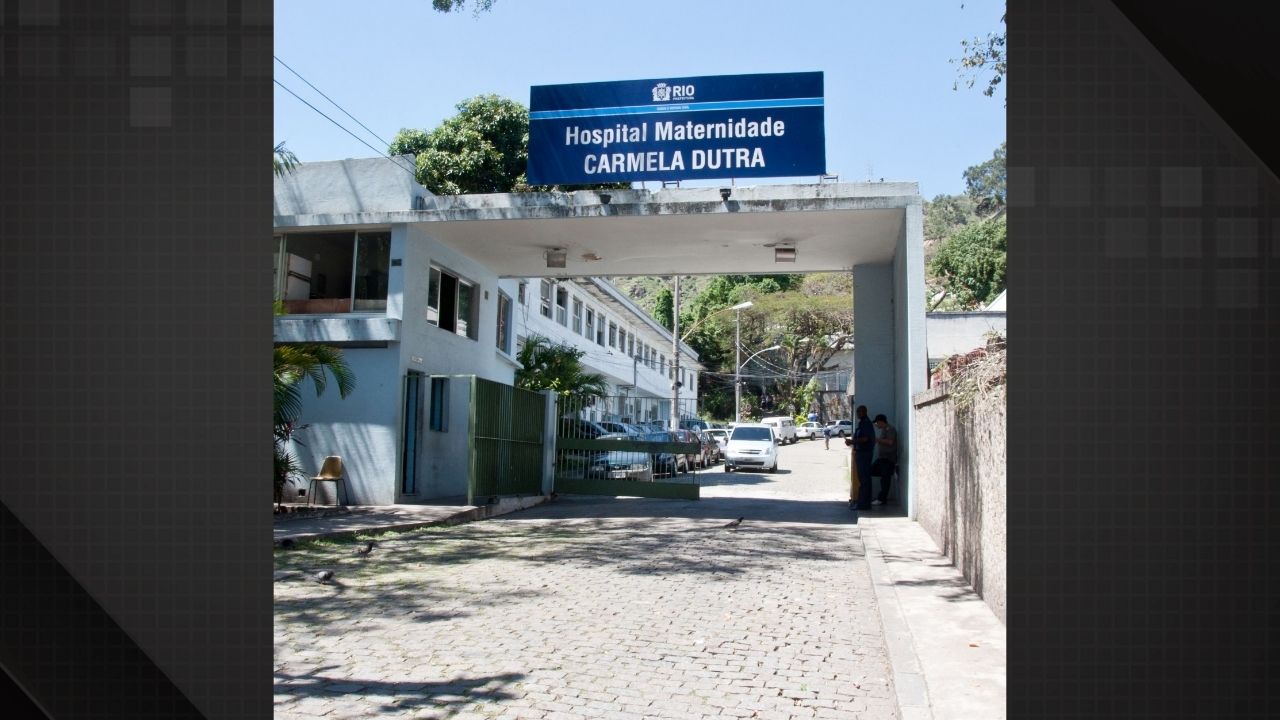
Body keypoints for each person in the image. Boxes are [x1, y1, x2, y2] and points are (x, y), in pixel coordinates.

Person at [845, 405, 874, 510]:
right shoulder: (861, 423)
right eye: (857, 411)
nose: (858, 413)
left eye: (860, 411)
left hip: (864, 454)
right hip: (861, 453)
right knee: (863, 479)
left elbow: (865, 439)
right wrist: (852, 443)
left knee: (864, 479)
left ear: (865, 412)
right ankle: (863, 503)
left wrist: (852, 441)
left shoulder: (866, 423)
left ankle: (864, 504)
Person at [870, 414, 898, 506]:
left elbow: (890, 442)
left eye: (877, 423)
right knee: (871, 471)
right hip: (882, 458)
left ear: (881, 422)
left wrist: (878, 440)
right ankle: (891, 472)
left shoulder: (890, 429)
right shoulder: (883, 430)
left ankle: (882, 499)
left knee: (885, 480)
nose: (876, 425)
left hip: (888, 458)